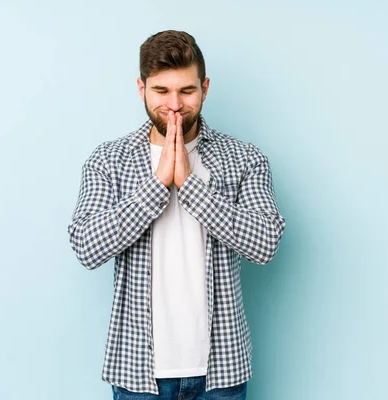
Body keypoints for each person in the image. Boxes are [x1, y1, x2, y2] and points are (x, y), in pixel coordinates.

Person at [67, 30, 286, 400]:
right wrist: (158, 185)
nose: (174, 105)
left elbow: (265, 243)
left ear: (205, 87)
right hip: (138, 374)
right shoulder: (109, 160)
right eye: (161, 91)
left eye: (186, 91)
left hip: (221, 372)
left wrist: (189, 185)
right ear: (141, 88)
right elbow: (87, 247)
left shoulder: (244, 158)